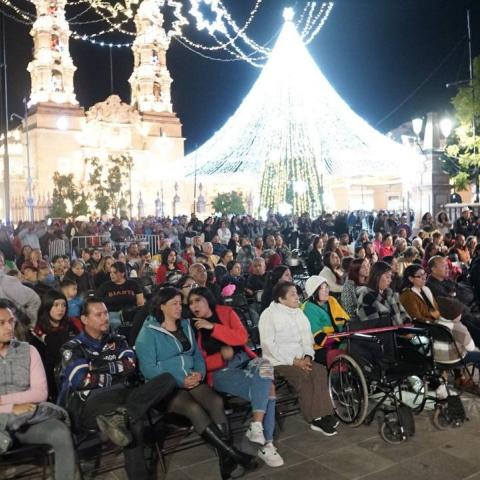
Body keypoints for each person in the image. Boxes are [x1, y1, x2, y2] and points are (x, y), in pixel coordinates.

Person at [135, 287, 260, 478]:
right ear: (162, 307)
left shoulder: (184, 325)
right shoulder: (148, 333)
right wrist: (180, 380)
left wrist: (199, 374)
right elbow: (148, 369)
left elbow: (197, 355)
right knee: (194, 409)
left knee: (215, 402)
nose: (180, 307)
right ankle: (233, 454)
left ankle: (225, 462)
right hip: (166, 386)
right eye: (174, 304)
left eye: (180, 303)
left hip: (192, 378)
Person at [58, 297, 176, 480]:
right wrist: (115, 371)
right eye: (98, 314)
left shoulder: (118, 339)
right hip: (92, 403)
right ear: (84, 319)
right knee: (134, 423)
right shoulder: (73, 347)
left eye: (106, 313)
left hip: (125, 395)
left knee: (167, 379)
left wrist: (96, 368)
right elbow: (82, 381)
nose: (105, 318)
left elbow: (130, 366)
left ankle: (122, 414)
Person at [189, 287, 284, 467]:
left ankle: (256, 426)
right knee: (267, 388)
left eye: (197, 300)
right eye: (191, 303)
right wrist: (220, 357)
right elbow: (197, 362)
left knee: (265, 366)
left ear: (207, 300)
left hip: (245, 359)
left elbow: (242, 337)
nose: (194, 305)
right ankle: (267, 444)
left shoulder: (225, 312)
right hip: (220, 371)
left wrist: (213, 327)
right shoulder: (192, 327)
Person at [0, 301, 75, 479]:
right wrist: (11, 408)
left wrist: (3, 400)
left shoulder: (28, 351)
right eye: (1, 323)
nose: (9, 327)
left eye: (11, 321)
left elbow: (40, 392)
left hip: (29, 418)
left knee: (60, 432)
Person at [259, 282, 338, 435]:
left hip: (302, 358)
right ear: (281, 299)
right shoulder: (268, 315)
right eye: (293, 294)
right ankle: (314, 418)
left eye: (297, 293)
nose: (297, 297)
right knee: (303, 376)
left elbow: (307, 338)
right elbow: (269, 345)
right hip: (279, 361)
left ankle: (325, 414)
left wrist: (308, 356)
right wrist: (294, 361)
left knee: (320, 371)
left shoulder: (299, 313)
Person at [29, 290, 80, 399]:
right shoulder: (38, 331)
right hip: (50, 376)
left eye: (63, 305)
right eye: (56, 305)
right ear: (47, 306)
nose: (61, 309)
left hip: (74, 369)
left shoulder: (71, 325)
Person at [302, 276, 349, 364]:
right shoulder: (309, 308)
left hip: (338, 339)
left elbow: (346, 322)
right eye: (322, 288)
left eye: (326, 287)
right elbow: (319, 338)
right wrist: (342, 338)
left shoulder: (331, 300)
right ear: (314, 292)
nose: (326, 290)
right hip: (320, 348)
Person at [95, 261, 145, 331]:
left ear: (122, 273)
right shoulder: (105, 286)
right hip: (112, 313)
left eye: (115, 272)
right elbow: (97, 301)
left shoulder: (133, 284)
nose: (111, 275)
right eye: (111, 272)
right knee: (116, 323)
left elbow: (140, 303)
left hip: (131, 312)